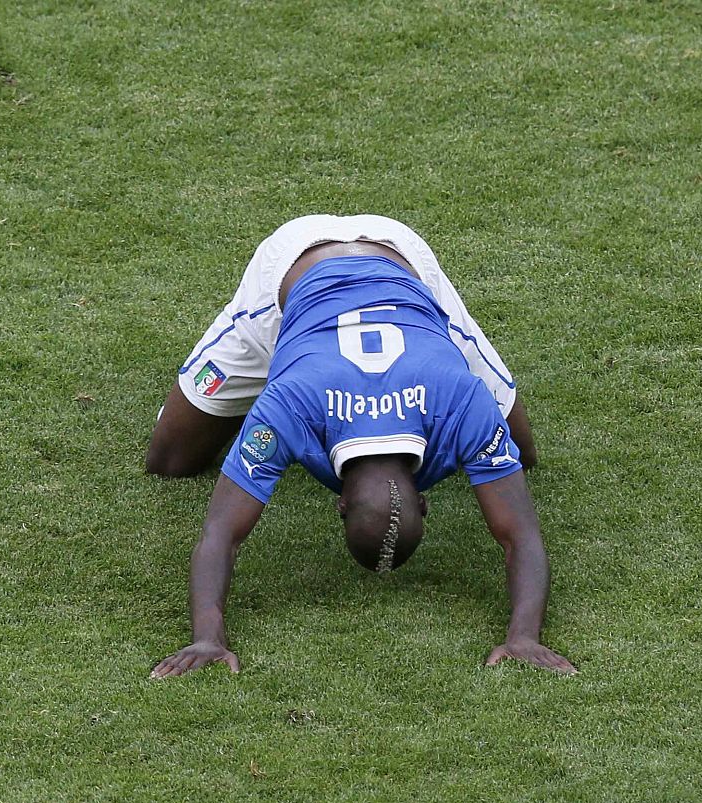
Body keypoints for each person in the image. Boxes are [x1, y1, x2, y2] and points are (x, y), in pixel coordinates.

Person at [148, 216, 575, 678]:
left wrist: (211, 636)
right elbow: (521, 533)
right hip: (295, 276)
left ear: (341, 503)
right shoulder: (289, 404)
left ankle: (298, 359)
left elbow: (222, 532)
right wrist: (522, 636)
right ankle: (283, 354)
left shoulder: (460, 399)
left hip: (400, 297)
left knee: (522, 451)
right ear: (424, 501)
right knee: (172, 460)